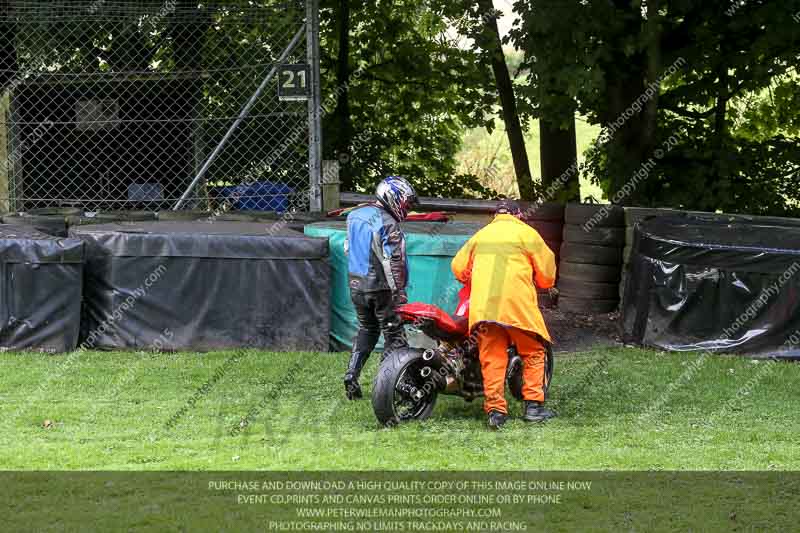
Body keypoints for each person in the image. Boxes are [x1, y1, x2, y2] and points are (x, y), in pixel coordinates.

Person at [451, 200, 557, 429]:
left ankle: (496, 412)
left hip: (484, 308)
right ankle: (533, 408)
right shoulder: (527, 233)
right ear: (518, 215)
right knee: (534, 352)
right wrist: (541, 281)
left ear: (496, 215)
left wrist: (473, 276)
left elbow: (458, 268)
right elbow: (547, 272)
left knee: (492, 358)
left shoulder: (481, 235)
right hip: (516, 306)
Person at [343, 176, 419, 400]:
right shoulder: (388, 223)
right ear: (393, 198)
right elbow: (394, 262)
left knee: (367, 329)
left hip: (356, 284)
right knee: (395, 336)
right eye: (406, 203)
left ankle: (351, 374)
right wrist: (399, 293)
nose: (407, 208)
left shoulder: (354, 215)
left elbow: (348, 248)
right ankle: (388, 388)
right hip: (382, 288)